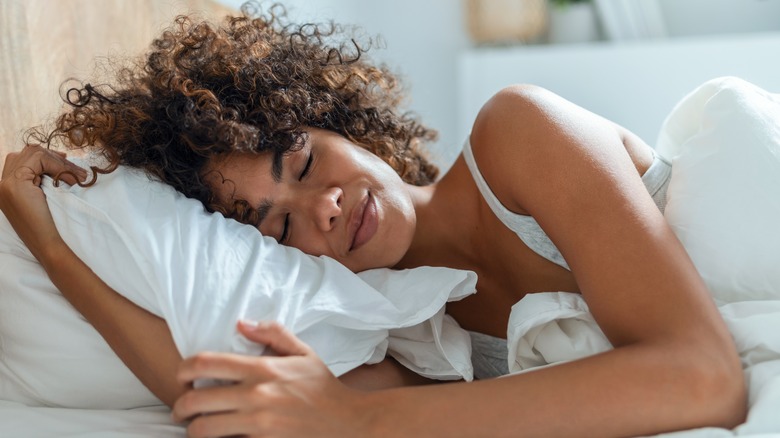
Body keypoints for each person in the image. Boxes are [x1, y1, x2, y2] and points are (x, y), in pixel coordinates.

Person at [0, 3, 746, 437]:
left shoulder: (518, 133)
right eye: (282, 230)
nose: (321, 208)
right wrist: (52, 247)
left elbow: (705, 380)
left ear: (331, 119)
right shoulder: (402, 338)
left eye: (300, 163)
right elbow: (211, 399)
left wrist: (354, 426)